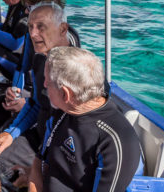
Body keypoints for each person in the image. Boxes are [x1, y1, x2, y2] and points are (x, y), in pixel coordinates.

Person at [0, 2, 80, 182]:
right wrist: (10, 133)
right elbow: (36, 103)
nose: (32, 33)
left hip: (62, 149)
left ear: (62, 29)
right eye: (30, 27)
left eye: (41, 27)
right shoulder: (40, 60)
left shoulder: (77, 72)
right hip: (39, 136)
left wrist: (41, 169)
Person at [31, 46, 141, 192]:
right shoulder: (63, 110)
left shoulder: (114, 141)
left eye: (47, 82)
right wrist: (33, 181)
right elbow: (40, 159)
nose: (44, 85)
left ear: (65, 94)